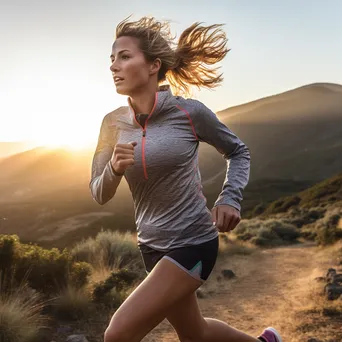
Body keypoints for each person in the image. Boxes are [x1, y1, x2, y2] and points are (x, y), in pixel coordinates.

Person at [90, 16, 282, 342]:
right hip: (151, 246)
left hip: (193, 242)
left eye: (124, 56)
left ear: (153, 65)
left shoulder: (189, 113)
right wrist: (114, 170)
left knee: (117, 335)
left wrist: (229, 197)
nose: (113, 66)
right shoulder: (111, 124)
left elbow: (238, 151)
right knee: (196, 333)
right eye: (112, 58)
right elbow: (98, 192)